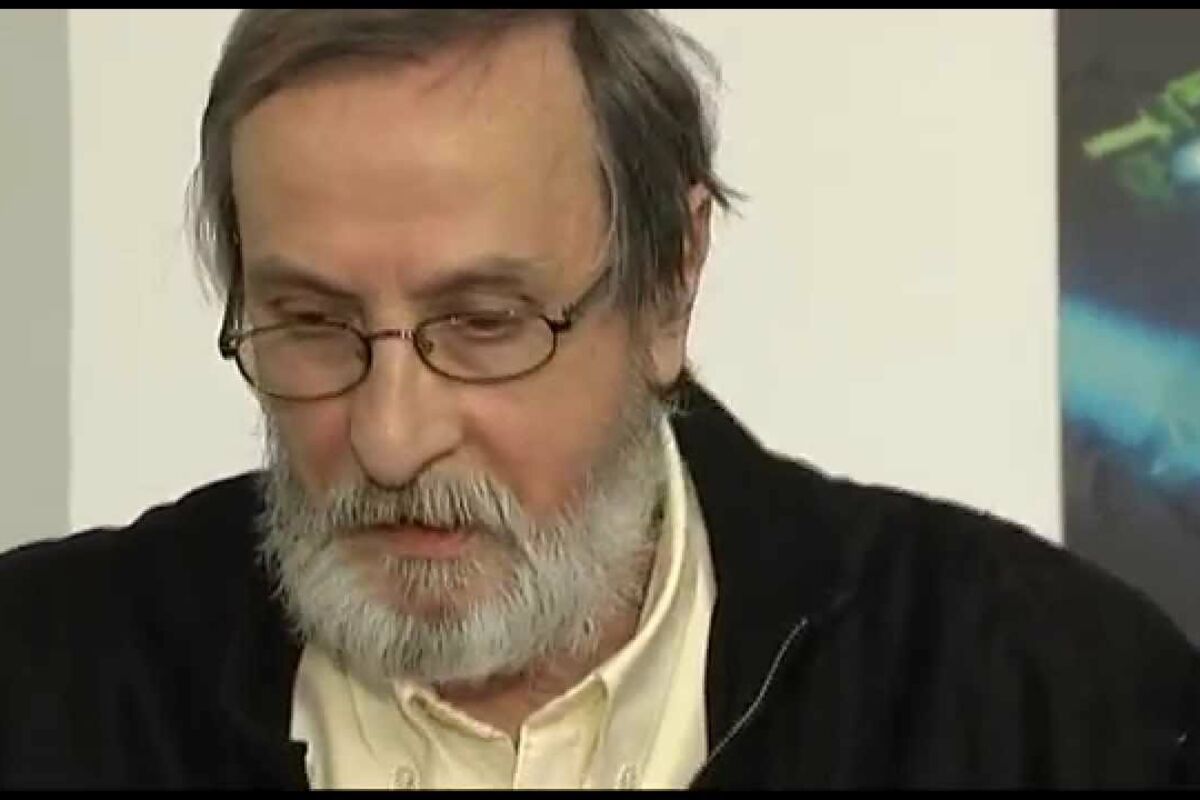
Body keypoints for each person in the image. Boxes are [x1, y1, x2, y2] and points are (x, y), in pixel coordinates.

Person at [0, 9, 1196, 790]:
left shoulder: (1047, 702)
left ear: (669, 281)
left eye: (485, 322)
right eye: (311, 323)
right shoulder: (40, 681)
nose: (391, 435)